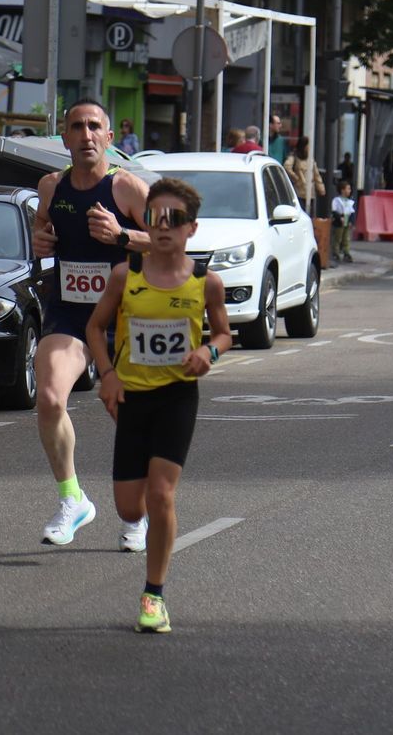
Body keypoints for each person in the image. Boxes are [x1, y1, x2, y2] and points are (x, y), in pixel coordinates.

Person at [86, 177, 233, 634]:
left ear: (192, 228)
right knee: (130, 509)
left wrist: (209, 353)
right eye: (155, 217)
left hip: (176, 396)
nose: (163, 226)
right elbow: (95, 329)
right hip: (131, 396)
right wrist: (107, 376)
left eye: (174, 219)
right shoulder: (124, 275)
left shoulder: (205, 282)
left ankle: (154, 595)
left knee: (161, 493)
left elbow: (225, 333)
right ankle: (145, 518)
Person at [30, 99, 151, 549]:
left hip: (124, 316)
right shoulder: (50, 186)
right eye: (77, 127)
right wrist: (41, 238)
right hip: (72, 312)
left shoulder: (128, 189)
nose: (86, 135)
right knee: (47, 397)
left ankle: (136, 515)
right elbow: (42, 232)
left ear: (108, 137)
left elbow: (170, 241)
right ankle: (72, 499)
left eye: (94, 126)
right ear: (64, 138)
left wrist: (122, 236)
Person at [284, 135, 325, 214]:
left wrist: (321, 188)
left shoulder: (310, 158)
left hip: (310, 192)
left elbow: (316, 174)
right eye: (308, 145)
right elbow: (287, 166)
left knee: (310, 214)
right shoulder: (294, 156)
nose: (309, 148)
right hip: (299, 192)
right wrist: (296, 177)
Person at [331, 180, 357, 263]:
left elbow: (351, 212)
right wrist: (339, 217)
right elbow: (334, 211)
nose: (349, 191)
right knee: (337, 238)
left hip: (346, 219)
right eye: (348, 189)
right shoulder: (336, 200)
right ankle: (336, 253)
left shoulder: (349, 201)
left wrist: (351, 221)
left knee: (346, 238)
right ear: (342, 190)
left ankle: (346, 252)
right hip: (339, 221)